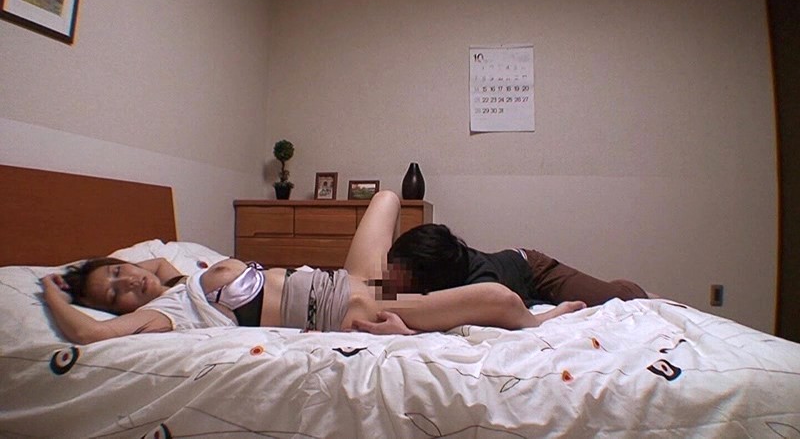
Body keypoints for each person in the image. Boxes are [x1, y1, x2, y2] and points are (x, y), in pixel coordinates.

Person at [41, 191, 585, 344]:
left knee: (387, 197)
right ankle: (541, 319)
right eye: (115, 292)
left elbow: (156, 259)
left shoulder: (176, 275)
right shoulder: (166, 317)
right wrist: (53, 290)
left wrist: (93, 270)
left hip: (345, 279)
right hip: (359, 307)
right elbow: (89, 334)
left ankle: (449, 288)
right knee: (502, 301)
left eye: (119, 271)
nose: (129, 281)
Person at [382, 223, 653, 308]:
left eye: (399, 271)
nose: (390, 275)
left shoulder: (481, 281)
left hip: (534, 270)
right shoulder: (427, 277)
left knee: (617, 299)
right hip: (516, 281)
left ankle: (634, 289)